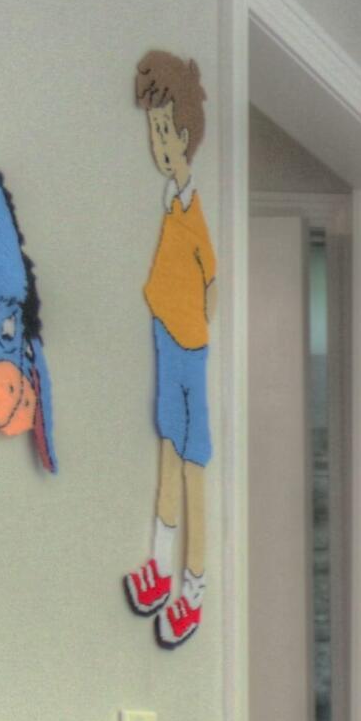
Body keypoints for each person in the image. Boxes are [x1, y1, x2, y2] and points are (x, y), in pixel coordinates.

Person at [124, 50, 217, 648]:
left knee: (192, 464)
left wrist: (194, 324)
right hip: (167, 337)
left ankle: (195, 587)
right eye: (154, 131)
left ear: (183, 137)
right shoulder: (172, 207)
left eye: (163, 131)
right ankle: (160, 562)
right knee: (167, 449)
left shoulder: (193, 217)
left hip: (187, 349)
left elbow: (210, 279)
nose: (158, 143)